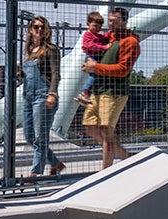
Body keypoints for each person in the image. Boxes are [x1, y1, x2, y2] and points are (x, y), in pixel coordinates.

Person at [81, 7, 141, 169]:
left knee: (106, 132)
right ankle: (125, 156)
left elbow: (123, 70)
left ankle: (105, 173)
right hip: (99, 90)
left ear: (124, 21)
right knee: (90, 127)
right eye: (110, 21)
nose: (110, 24)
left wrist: (95, 68)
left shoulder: (131, 42)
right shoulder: (110, 37)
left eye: (114, 21)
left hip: (114, 93)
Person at [21, 15, 65, 181]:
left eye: (42, 27)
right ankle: (55, 163)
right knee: (29, 136)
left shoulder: (51, 50)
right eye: (36, 27)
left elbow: (55, 74)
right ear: (31, 30)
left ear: (47, 30)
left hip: (43, 96)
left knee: (40, 137)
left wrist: (52, 93)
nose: (39, 30)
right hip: (27, 98)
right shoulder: (29, 52)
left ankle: (35, 173)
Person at [74, 11, 110, 107]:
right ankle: (84, 92)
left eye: (99, 27)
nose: (97, 29)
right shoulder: (88, 34)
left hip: (96, 56)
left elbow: (104, 38)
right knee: (93, 76)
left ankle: (86, 95)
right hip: (91, 56)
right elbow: (90, 46)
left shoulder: (98, 35)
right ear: (88, 24)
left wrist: (111, 32)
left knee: (96, 76)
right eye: (95, 26)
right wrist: (104, 47)